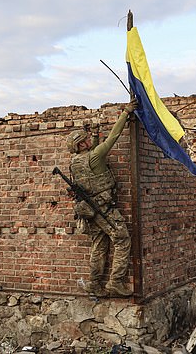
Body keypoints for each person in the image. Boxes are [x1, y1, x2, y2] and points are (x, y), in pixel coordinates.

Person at [66, 100, 137, 297]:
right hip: (104, 208)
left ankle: (94, 283)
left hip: (89, 211)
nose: (90, 141)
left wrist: (95, 134)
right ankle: (115, 282)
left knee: (99, 246)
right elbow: (113, 137)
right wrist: (126, 112)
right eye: (86, 139)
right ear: (81, 144)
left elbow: (94, 157)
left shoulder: (75, 162)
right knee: (122, 239)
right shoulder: (95, 156)